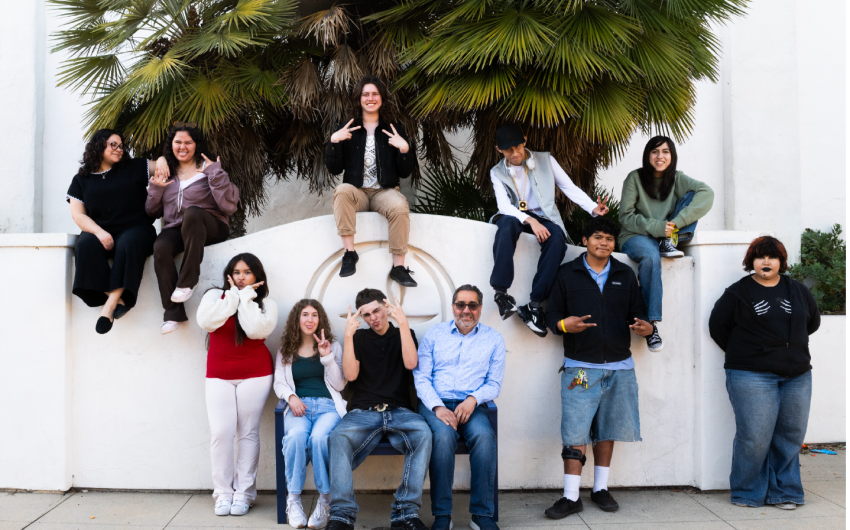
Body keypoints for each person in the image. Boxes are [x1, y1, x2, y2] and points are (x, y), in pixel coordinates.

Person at [543, 217, 654, 518]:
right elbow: (551, 314)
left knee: (608, 428)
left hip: (620, 368)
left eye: (609, 238)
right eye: (598, 237)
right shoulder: (567, 273)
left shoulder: (624, 274)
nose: (604, 243)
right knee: (575, 431)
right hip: (580, 368)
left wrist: (646, 327)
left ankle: (600, 489)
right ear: (585, 240)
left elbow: (638, 312)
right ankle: (570, 496)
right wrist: (564, 325)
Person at [709, 236, 820, 510]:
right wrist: (750, 352)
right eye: (760, 257)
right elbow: (717, 327)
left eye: (772, 257)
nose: (766, 261)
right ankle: (747, 492)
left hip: (797, 374)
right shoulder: (738, 292)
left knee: (790, 436)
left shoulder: (797, 290)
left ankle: (785, 492)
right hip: (751, 374)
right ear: (752, 262)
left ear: (782, 261)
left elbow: (812, 322)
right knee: (754, 437)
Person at [489, 124, 609, 337]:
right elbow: (504, 206)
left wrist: (592, 207)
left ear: (525, 141)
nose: (514, 153)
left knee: (556, 240)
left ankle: (534, 306)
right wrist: (529, 221)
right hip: (515, 216)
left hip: (544, 216)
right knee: (506, 225)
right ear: (499, 149)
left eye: (518, 146)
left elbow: (568, 186)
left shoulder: (545, 160)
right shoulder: (497, 172)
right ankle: (501, 294)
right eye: (508, 149)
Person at [326, 289, 431, 530]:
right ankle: (341, 516)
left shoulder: (405, 333)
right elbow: (351, 375)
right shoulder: (359, 338)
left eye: (376, 311)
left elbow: (411, 363)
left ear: (386, 308)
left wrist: (403, 324)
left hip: (400, 410)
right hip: (363, 411)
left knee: (423, 434)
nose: (373, 318)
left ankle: (405, 514)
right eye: (366, 314)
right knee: (338, 437)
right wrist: (348, 336)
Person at [413, 284, 505, 530]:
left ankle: (482, 515)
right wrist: (437, 407)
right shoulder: (435, 334)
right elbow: (421, 378)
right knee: (443, 438)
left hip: (471, 406)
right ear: (453, 307)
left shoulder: (493, 339)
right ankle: (442, 514)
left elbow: (494, 383)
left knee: (484, 437)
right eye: (461, 305)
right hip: (436, 404)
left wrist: (473, 399)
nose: (466, 310)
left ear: (480, 308)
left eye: (472, 305)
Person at [196, 253, 278, 517]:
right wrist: (233, 296)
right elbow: (206, 322)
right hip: (218, 374)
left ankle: (244, 494)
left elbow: (255, 331)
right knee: (221, 432)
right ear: (229, 275)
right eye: (237, 272)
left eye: (247, 272)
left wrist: (246, 299)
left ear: (257, 276)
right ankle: (222, 493)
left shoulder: (267, 304)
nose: (241, 277)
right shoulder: (214, 296)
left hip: (256, 373)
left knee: (248, 433)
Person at [66, 128, 168, 334]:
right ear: (98, 146)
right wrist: (99, 232)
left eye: (121, 146)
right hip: (102, 231)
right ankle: (118, 299)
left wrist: (162, 159)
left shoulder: (135, 166)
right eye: (113, 145)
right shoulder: (81, 179)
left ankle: (110, 305)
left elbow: (161, 165)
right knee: (85, 244)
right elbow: (78, 215)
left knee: (128, 243)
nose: (119, 149)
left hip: (137, 229)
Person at [619, 135, 714, 352]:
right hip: (635, 234)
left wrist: (674, 225)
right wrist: (657, 227)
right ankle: (651, 324)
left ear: (672, 155)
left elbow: (707, 193)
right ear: (647, 155)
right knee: (651, 257)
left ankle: (668, 242)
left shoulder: (677, 179)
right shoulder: (634, 178)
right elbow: (625, 217)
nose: (660, 156)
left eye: (665, 151)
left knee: (695, 195)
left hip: (665, 233)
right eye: (654, 151)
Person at [147, 123, 240, 334]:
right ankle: (172, 313)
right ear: (171, 144)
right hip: (178, 229)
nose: (183, 146)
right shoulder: (167, 173)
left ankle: (187, 282)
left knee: (193, 213)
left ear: (196, 144)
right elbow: (152, 212)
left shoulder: (209, 168)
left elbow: (229, 206)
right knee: (160, 247)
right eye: (178, 142)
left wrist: (215, 174)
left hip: (210, 225)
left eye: (188, 142)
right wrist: (156, 189)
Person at [326, 75, 418, 287]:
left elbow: (405, 172)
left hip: (384, 192)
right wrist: (334, 142)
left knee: (399, 205)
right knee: (341, 191)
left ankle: (398, 267)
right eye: (365, 94)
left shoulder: (393, 129)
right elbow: (334, 169)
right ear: (359, 98)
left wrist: (404, 149)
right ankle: (349, 253)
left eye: (375, 94)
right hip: (357, 192)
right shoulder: (348, 128)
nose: (370, 98)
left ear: (381, 98)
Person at [274, 299, 347, 529]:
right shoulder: (286, 350)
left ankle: (325, 500)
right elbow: (279, 382)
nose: (310, 319)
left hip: (328, 408)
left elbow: (339, 384)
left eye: (314, 315)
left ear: (320, 319)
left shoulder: (333, 346)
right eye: (305, 314)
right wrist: (291, 397)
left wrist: (327, 357)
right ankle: (293, 500)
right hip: (299, 408)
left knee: (319, 439)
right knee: (295, 438)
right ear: (297, 319)